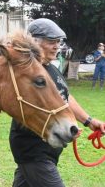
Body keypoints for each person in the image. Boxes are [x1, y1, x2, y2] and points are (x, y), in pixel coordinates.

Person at [9, 18, 105, 187]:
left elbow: (65, 97)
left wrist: (89, 121)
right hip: (33, 151)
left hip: (48, 151)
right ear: (34, 41)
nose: (57, 46)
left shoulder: (51, 69)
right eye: (51, 41)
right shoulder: (29, 74)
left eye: (58, 42)